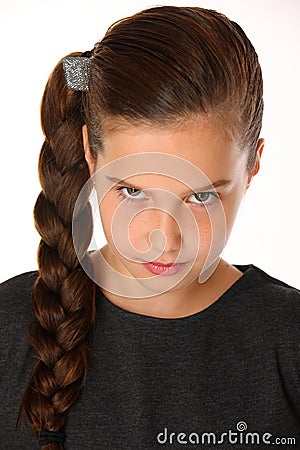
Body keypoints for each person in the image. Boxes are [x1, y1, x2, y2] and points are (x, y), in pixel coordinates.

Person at [0, 5, 299, 449]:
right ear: (90, 153)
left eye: (201, 196)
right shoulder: (9, 329)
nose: (163, 236)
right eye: (133, 192)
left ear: (253, 162)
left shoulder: (289, 342)